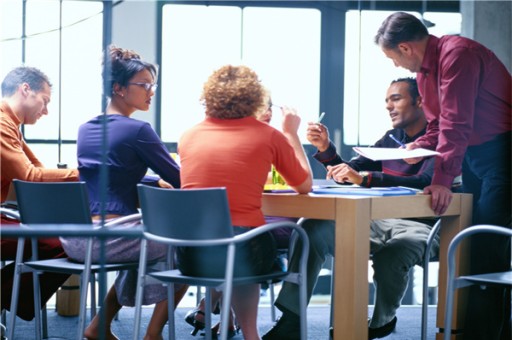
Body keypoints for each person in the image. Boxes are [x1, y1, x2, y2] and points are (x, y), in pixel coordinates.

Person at [263, 77, 443, 340]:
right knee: (311, 227)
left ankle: (380, 322)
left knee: (396, 251)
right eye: (386, 101)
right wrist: (326, 149)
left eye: (396, 99)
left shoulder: (443, 139)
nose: (388, 106)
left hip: (423, 225)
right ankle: (292, 318)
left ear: (420, 101)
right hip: (376, 219)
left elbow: (425, 181)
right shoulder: (392, 138)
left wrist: (365, 179)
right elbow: (354, 169)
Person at [374, 12, 511, 340]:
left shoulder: (457, 55)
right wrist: (416, 146)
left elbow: (456, 123)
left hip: (503, 153)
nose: (394, 65)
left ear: (405, 47)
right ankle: (478, 330)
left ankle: (482, 335)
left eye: (391, 57)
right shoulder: (423, 72)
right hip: (474, 157)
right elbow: (438, 126)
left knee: (484, 249)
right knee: (470, 248)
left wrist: (441, 180)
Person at [59, 45, 187, 340]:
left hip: (77, 237)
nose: (150, 92)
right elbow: (181, 179)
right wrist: (166, 180)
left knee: (149, 244)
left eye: (151, 85)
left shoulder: (86, 128)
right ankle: (152, 334)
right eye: (143, 85)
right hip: (114, 237)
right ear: (118, 88)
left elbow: (110, 172)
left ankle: (98, 327)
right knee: (187, 247)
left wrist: (152, 182)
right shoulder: (139, 131)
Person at [178, 64, 313, 340]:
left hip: (190, 254)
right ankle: (251, 334)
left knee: (230, 240)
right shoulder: (268, 135)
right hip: (246, 254)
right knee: (243, 243)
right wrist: (291, 133)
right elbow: (304, 185)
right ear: (256, 98)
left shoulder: (188, 136)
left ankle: (228, 322)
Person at [0, 66, 79, 322]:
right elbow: (29, 177)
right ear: (25, 89)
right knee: (67, 244)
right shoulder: (2, 123)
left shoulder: (11, 125)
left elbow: (37, 171)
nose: (45, 111)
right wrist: (85, 174)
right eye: (44, 101)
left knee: (65, 241)